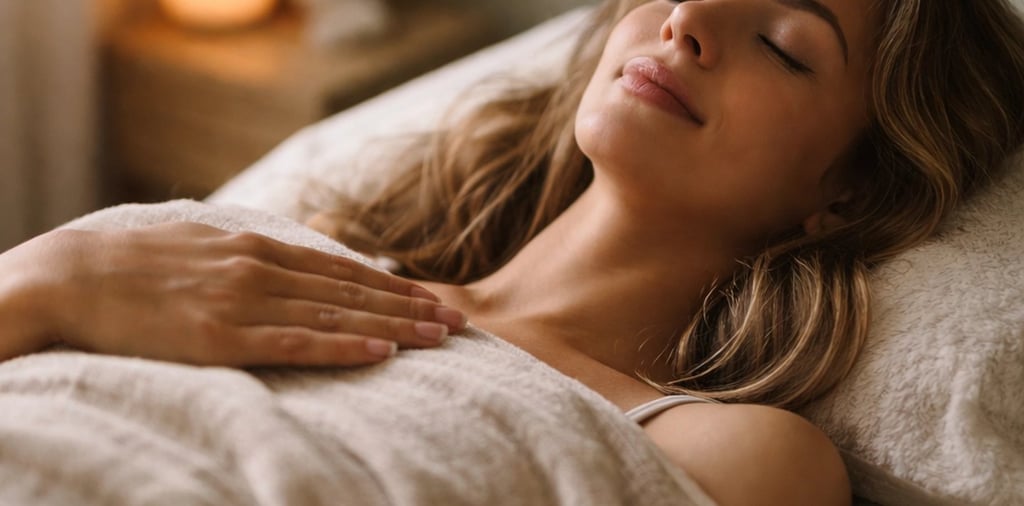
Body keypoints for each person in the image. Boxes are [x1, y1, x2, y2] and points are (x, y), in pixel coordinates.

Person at [2, 0, 1023, 504]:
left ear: (844, 189)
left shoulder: (732, 452)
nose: (691, 21)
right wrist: (41, 283)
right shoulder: (267, 251)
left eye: (784, 44)